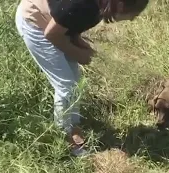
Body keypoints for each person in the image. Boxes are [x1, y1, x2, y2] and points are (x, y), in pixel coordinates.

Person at [15, 0, 149, 157]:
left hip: (53, 23)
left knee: (76, 83)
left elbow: (70, 22)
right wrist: (78, 54)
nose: (133, 19)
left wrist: (78, 42)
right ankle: (65, 138)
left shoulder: (101, 5)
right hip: (35, 22)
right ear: (121, 5)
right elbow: (52, 33)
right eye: (135, 14)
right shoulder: (83, 5)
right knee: (66, 86)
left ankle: (73, 126)